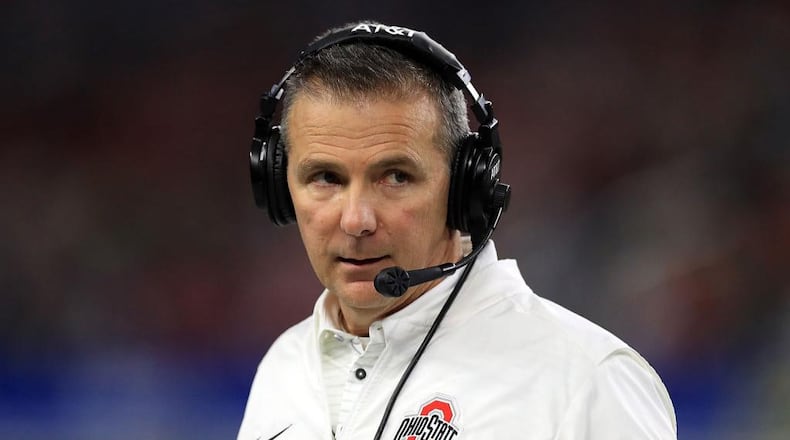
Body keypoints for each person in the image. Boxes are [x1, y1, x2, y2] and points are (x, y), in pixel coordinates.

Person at [239, 21, 677, 440]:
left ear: (465, 188)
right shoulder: (284, 366)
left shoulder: (587, 381)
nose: (356, 221)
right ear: (279, 187)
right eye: (326, 178)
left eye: (396, 177)